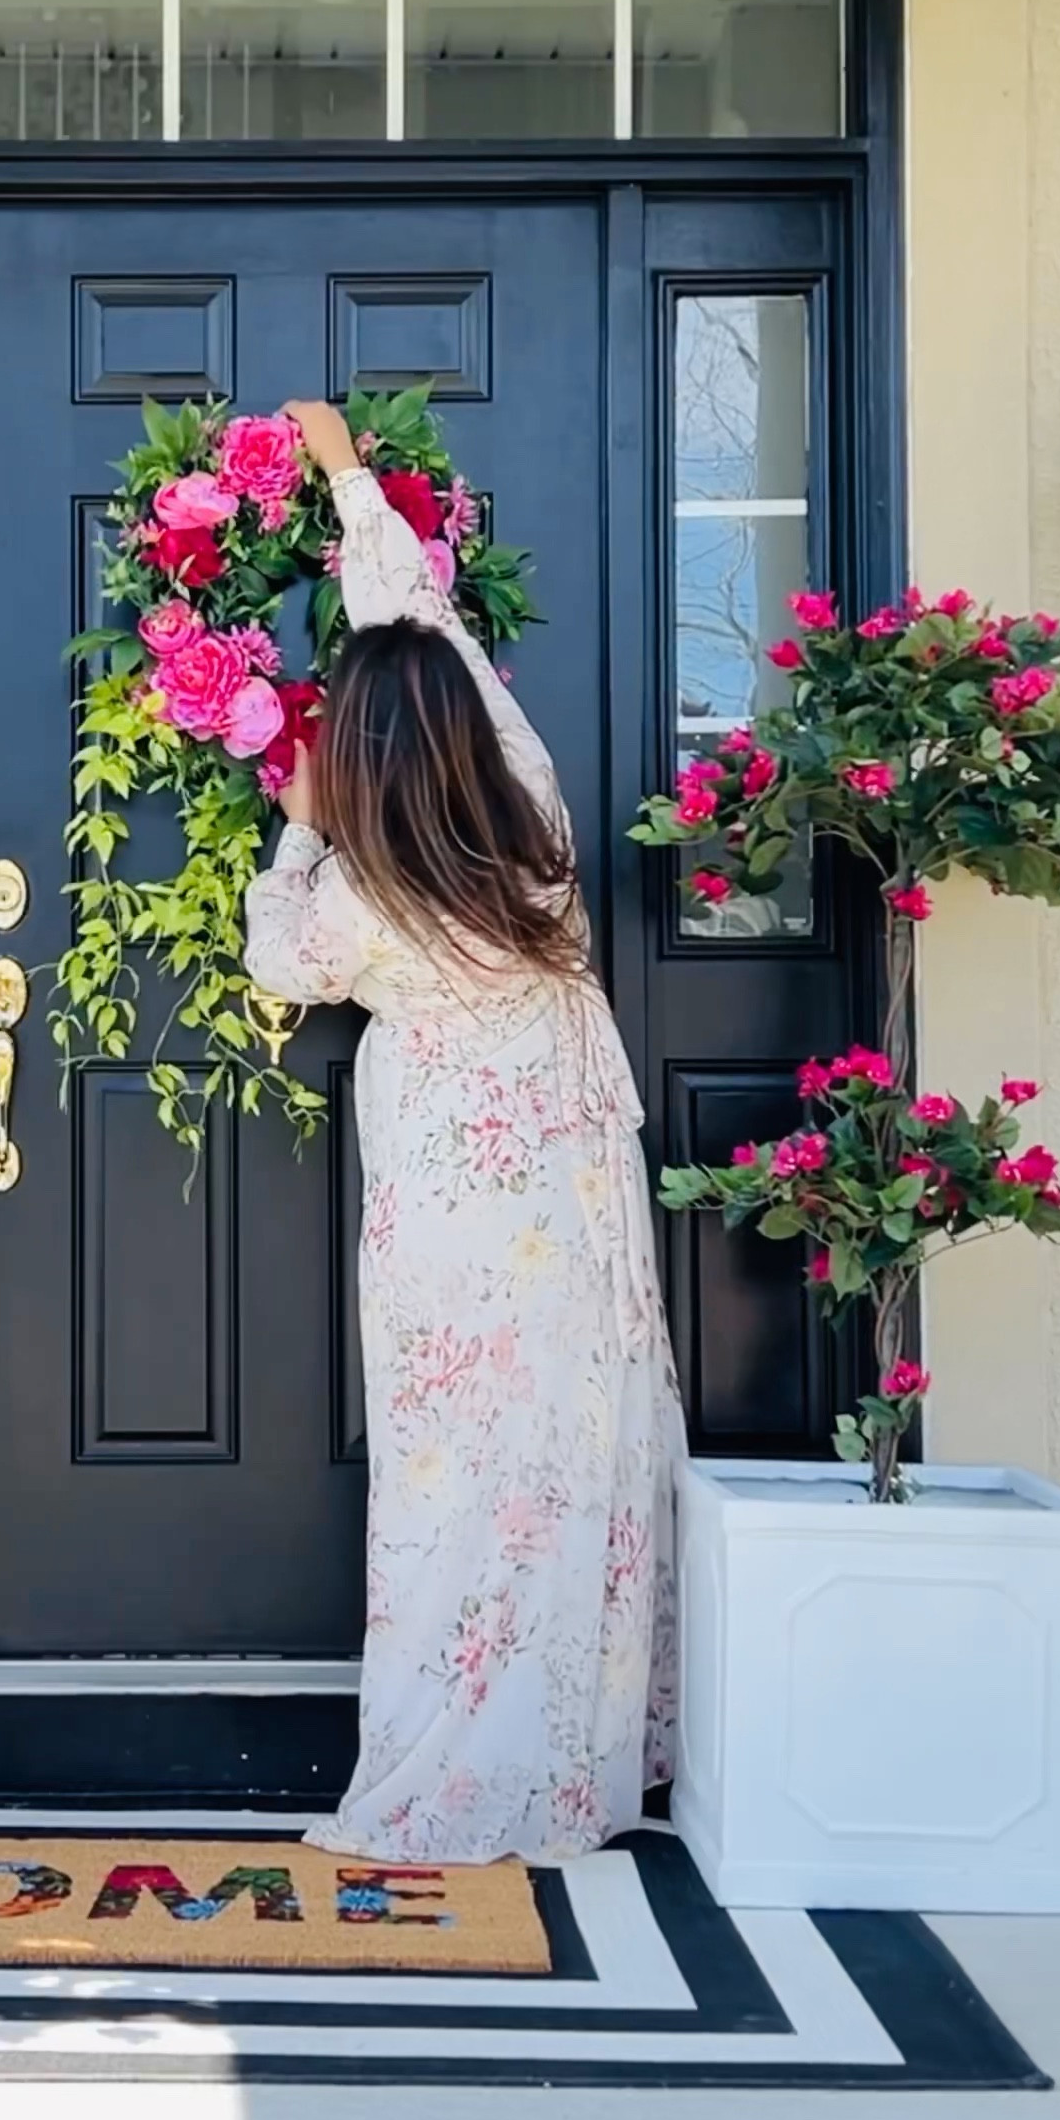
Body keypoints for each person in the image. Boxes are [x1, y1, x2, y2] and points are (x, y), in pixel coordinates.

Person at [244, 398, 681, 1868]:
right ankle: (581, 1750)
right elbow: (434, 635)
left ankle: (461, 1759)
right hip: (570, 1177)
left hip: (448, 1200)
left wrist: (300, 822)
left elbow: (275, 964)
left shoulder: (359, 892)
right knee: (574, 1438)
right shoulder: (532, 810)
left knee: (455, 1472)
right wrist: (352, 483)